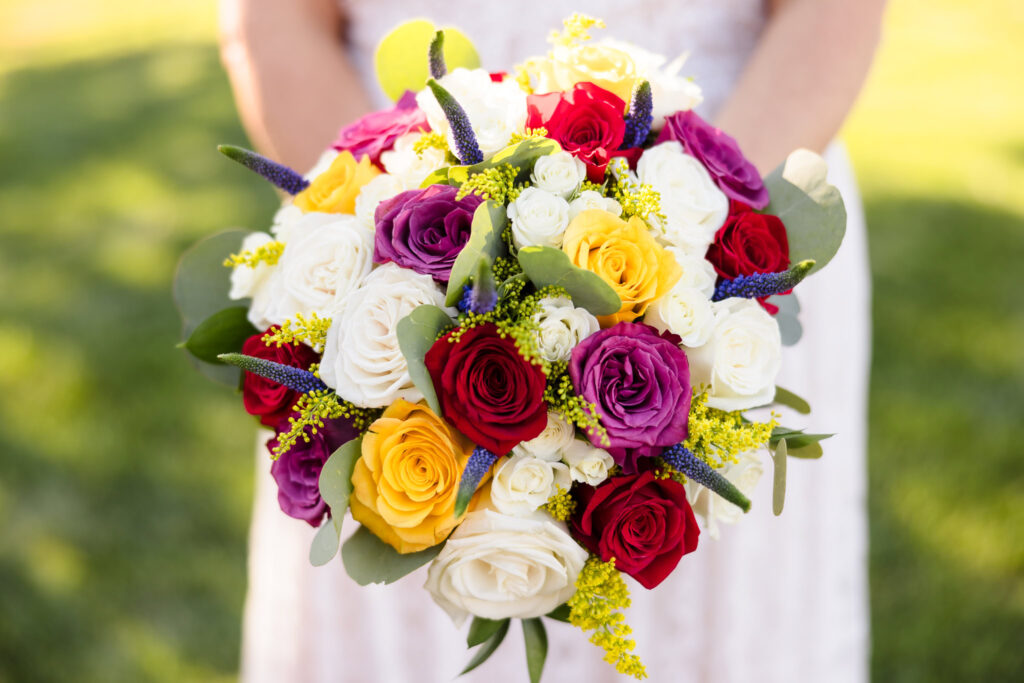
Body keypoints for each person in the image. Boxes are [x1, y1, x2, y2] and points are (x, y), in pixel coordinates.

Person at [219, 1, 885, 681]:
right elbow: (277, 21)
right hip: (392, 228)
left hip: (732, 203)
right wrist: (381, 234)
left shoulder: (707, 246)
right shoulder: (385, 266)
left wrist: (692, 249)